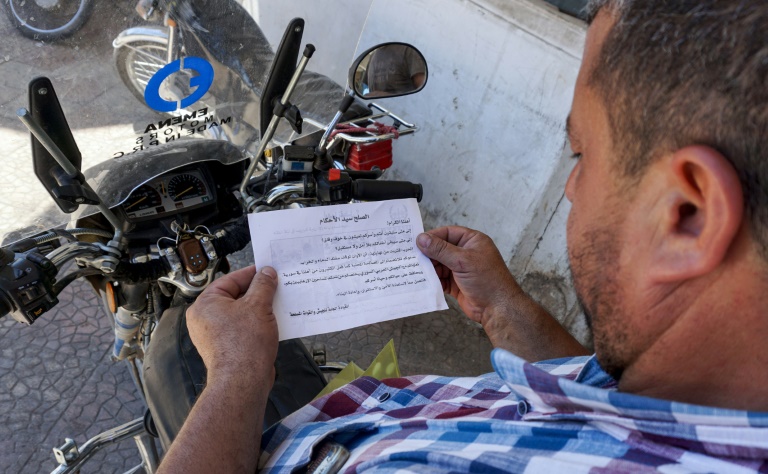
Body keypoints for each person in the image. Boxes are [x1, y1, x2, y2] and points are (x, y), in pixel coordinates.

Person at [156, 0, 768, 472]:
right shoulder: (694, 385)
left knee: (176, 349)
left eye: (582, 155)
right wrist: (504, 308)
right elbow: (579, 392)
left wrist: (235, 376)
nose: (570, 188)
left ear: (687, 214)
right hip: (358, 413)